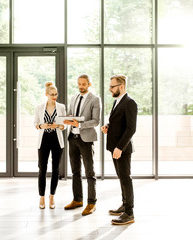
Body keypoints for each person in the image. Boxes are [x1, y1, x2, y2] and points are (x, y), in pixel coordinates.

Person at [101, 74, 137, 225]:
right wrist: (108, 127)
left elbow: (131, 128)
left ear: (121, 86)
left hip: (121, 149)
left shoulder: (130, 103)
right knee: (121, 178)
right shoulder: (118, 101)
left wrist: (119, 147)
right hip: (115, 147)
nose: (110, 89)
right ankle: (124, 205)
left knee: (125, 178)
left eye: (112, 86)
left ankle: (129, 212)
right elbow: (117, 122)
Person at [63, 74, 101, 216]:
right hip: (72, 138)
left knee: (90, 173)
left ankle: (91, 203)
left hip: (86, 140)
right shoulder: (73, 98)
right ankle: (77, 200)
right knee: (75, 172)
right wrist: (66, 119)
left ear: (89, 84)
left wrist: (79, 124)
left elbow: (96, 121)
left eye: (84, 84)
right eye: (79, 83)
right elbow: (70, 114)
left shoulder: (95, 99)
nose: (81, 86)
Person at [34, 82, 66, 209]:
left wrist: (56, 125)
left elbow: (65, 125)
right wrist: (42, 126)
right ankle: (41, 197)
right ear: (46, 94)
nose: (54, 96)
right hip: (44, 140)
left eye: (56, 94)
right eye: (51, 94)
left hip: (57, 139)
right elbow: (36, 124)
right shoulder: (39, 107)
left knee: (55, 170)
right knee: (42, 169)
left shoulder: (61, 107)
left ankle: (52, 196)